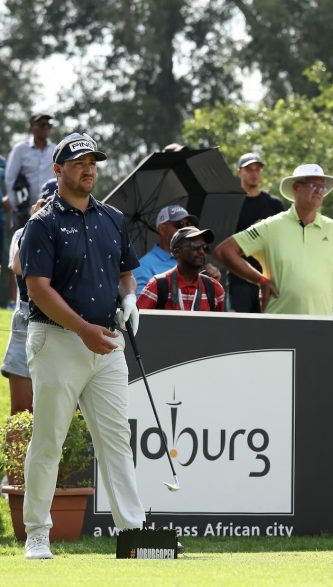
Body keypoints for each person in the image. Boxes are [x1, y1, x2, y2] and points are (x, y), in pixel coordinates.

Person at [19, 133, 147, 559]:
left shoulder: (112, 217)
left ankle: (133, 532)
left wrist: (129, 298)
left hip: (105, 342)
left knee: (116, 440)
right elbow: (38, 289)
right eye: (78, 163)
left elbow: (125, 271)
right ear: (58, 171)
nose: (88, 168)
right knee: (49, 438)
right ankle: (37, 532)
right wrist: (82, 330)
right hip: (57, 340)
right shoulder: (43, 223)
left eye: (93, 161)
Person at [214, 163, 333, 315]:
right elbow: (224, 251)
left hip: (322, 329)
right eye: (313, 185)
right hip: (278, 328)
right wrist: (261, 280)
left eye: (323, 187)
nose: (319, 191)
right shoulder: (271, 226)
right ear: (296, 187)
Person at [3, 182, 57, 414]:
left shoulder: (74, 235)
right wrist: (34, 225)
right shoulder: (22, 233)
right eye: (49, 203)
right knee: (21, 412)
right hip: (25, 321)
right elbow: (17, 266)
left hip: (59, 323)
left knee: (55, 411)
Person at [228, 153, 285, 312]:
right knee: (242, 329)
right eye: (249, 170)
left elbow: (282, 239)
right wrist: (252, 232)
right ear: (239, 172)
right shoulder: (231, 205)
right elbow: (225, 243)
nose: (254, 173)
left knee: (269, 328)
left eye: (257, 169)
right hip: (240, 278)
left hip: (270, 277)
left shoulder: (274, 204)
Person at [137, 226, 225, 312]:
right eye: (195, 246)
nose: (201, 251)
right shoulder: (158, 285)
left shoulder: (214, 288)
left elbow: (219, 325)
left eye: (204, 247)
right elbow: (136, 322)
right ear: (176, 252)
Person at [131, 204, 204, 294]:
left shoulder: (193, 259)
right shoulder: (143, 267)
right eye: (179, 225)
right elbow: (141, 306)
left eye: (189, 225)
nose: (186, 230)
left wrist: (207, 285)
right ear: (162, 229)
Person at [4, 113, 57, 229]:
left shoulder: (55, 150)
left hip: (48, 209)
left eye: (48, 125)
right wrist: (16, 207)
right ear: (32, 128)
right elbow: (10, 178)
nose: (45, 128)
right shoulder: (20, 149)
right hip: (24, 210)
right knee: (22, 244)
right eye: (42, 125)